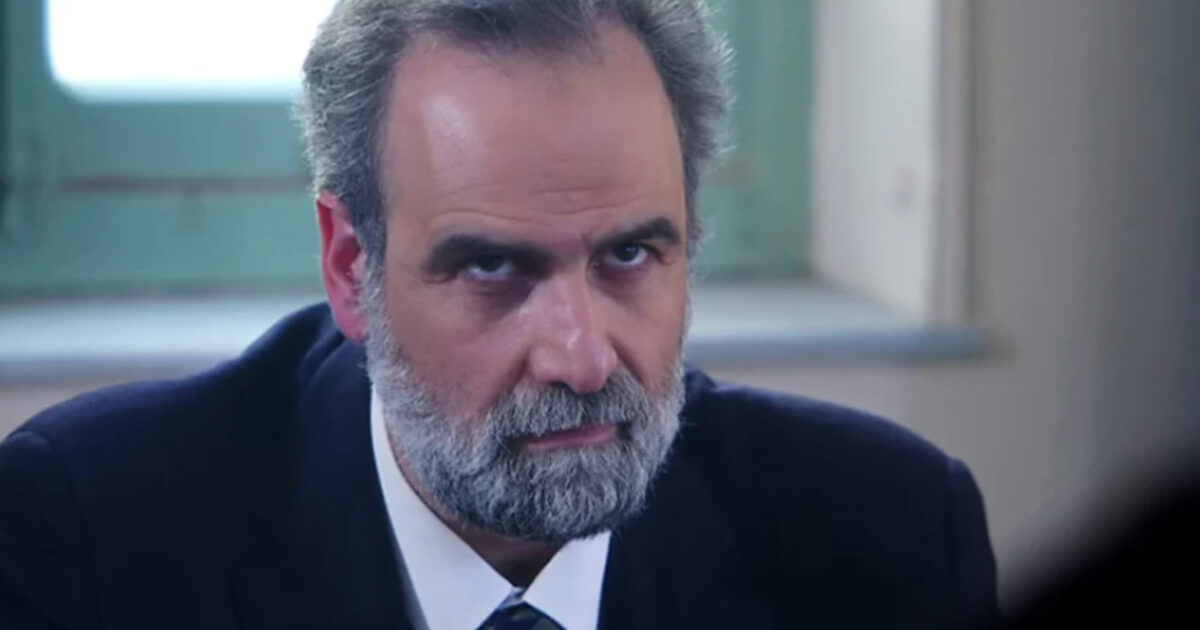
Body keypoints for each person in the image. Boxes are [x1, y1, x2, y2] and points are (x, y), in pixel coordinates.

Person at [0, 1, 1000, 628]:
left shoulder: (891, 537)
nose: (579, 358)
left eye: (630, 255)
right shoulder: (93, 537)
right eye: (491, 267)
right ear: (350, 266)